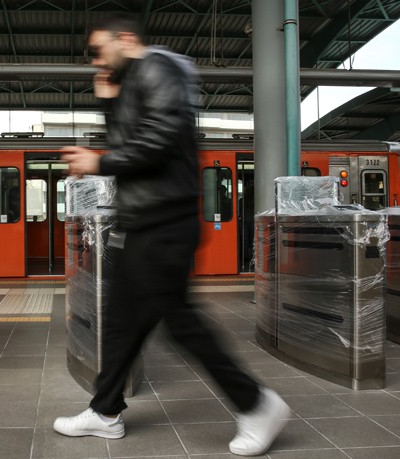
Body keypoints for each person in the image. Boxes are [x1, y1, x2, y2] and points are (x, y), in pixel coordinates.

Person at [54, 13, 290, 456]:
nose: (95, 61)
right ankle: (105, 412)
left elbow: (159, 139)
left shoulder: (159, 68)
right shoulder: (132, 80)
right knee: (122, 323)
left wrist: (98, 162)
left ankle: (258, 404)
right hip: (139, 221)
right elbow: (130, 139)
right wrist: (108, 101)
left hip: (164, 222)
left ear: (125, 39)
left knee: (181, 322)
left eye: (99, 50)